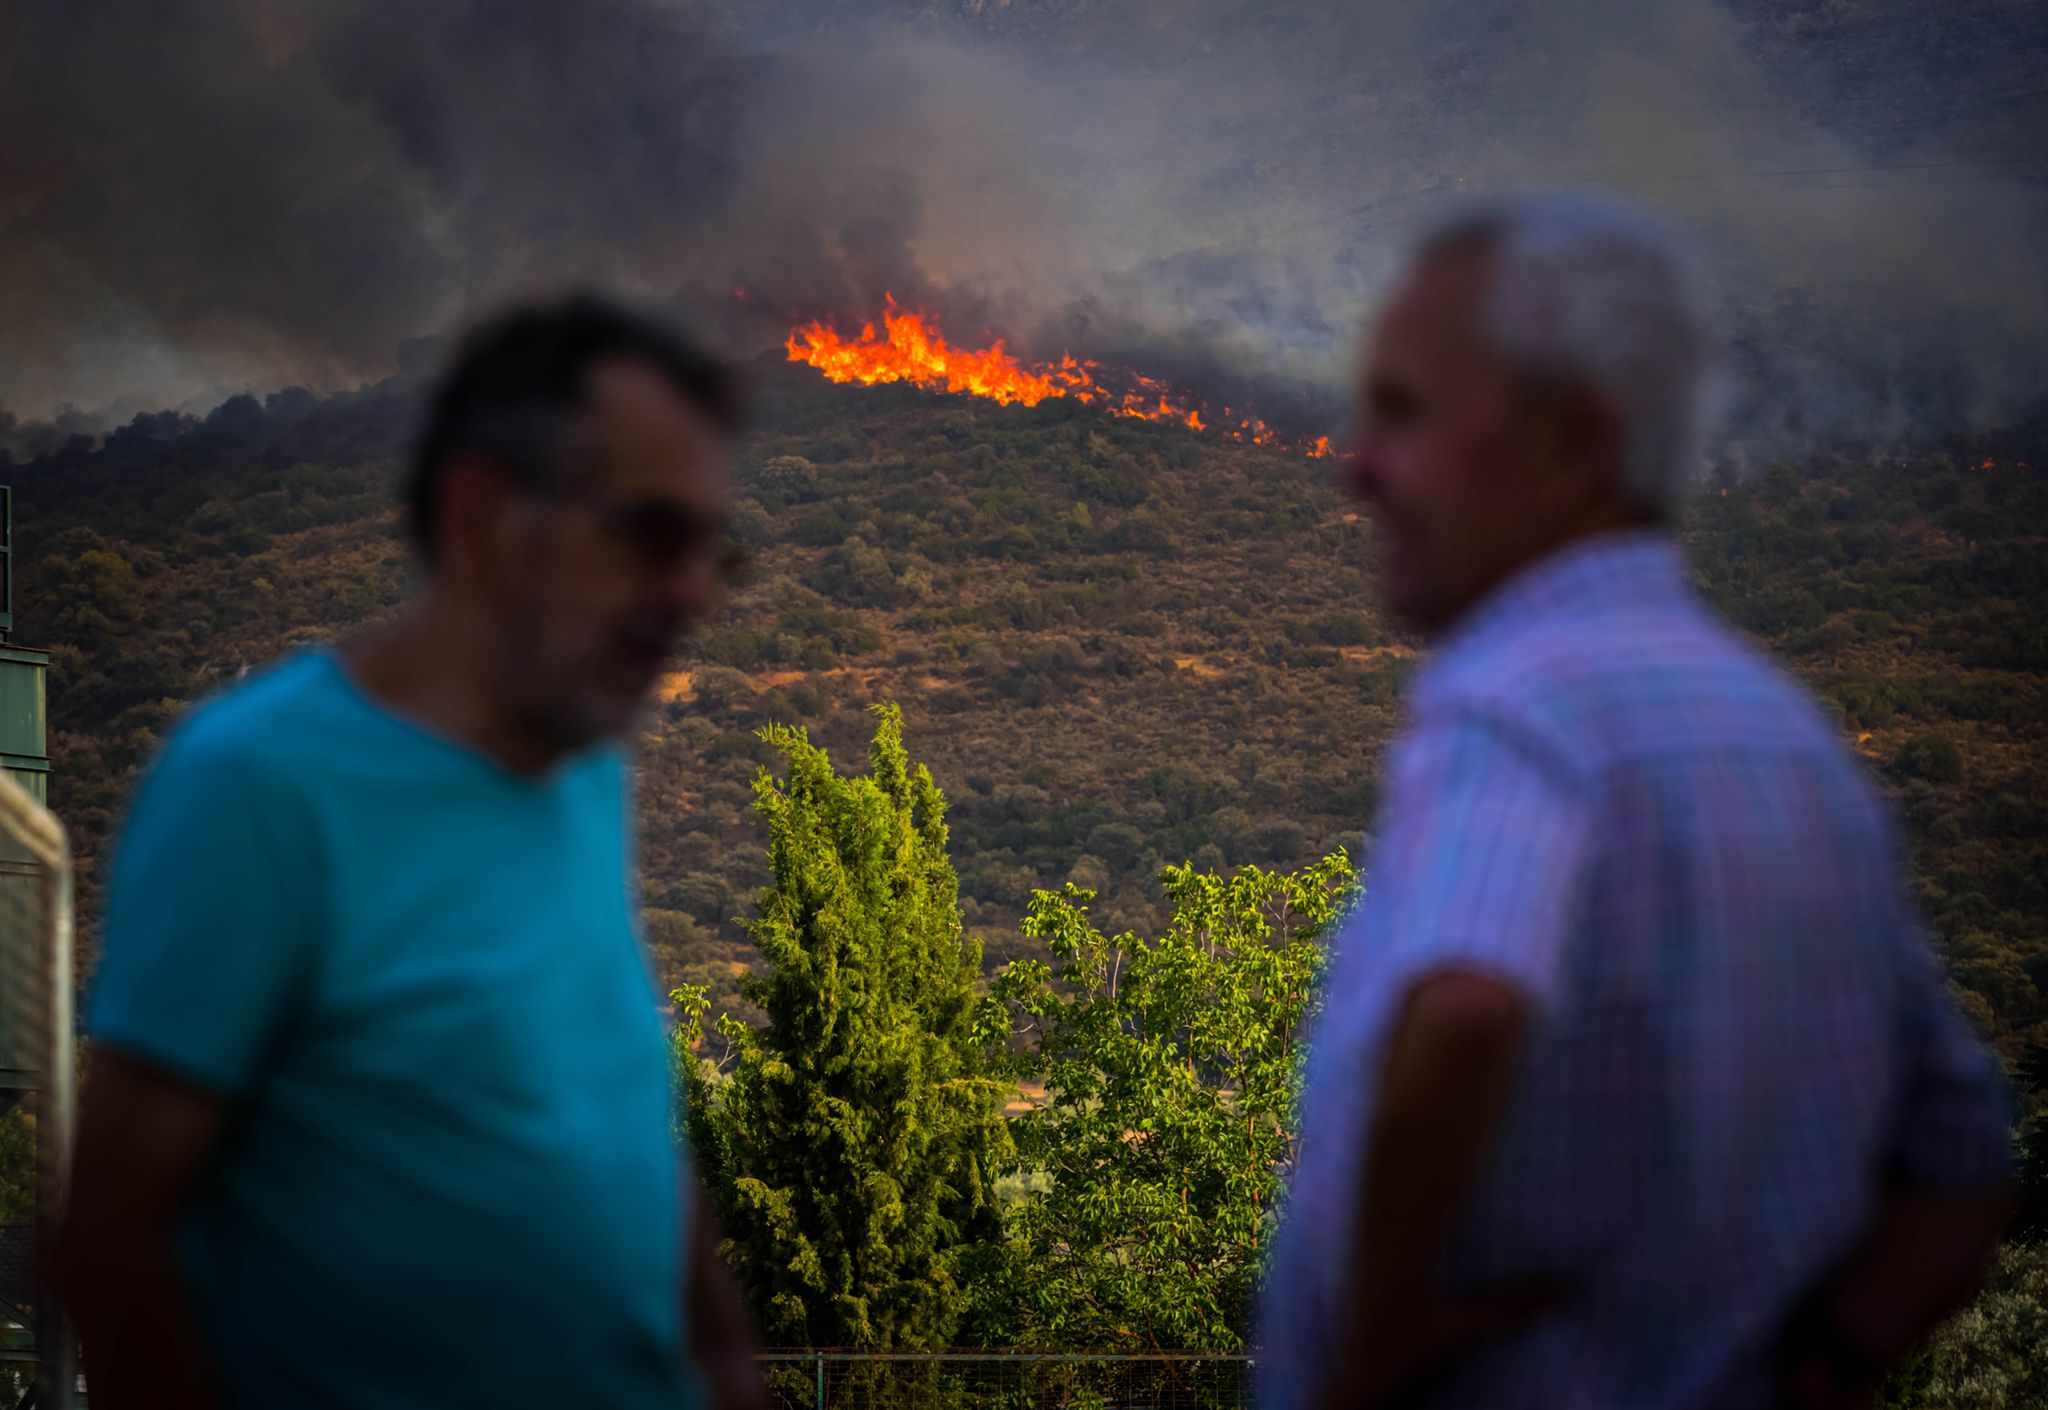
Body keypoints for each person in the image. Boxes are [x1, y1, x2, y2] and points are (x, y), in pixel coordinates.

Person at [1258, 194, 2015, 1410]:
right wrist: (1815, 1367)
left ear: (1573, 441)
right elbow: (1966, 1167)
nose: (1357, 466)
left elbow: (1463, 1011)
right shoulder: (1795, 748)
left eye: (1401, 415)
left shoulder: (1517, 707)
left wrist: (1366, 1354)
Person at [56, 295, 767, 1410]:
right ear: (480, 514)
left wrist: (723, 1359)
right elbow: (109, 1236)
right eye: (650, 536)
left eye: (713, 550)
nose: (692, 593)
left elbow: (610, 1113)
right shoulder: (258, 786)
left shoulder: (582, 766)